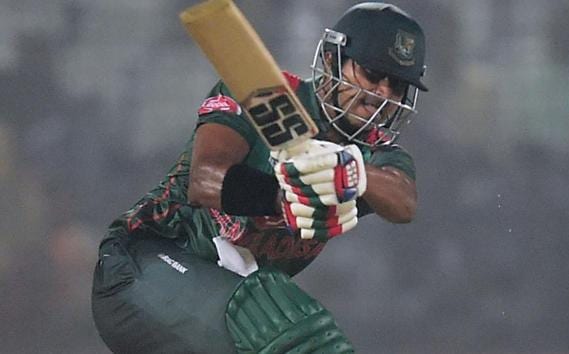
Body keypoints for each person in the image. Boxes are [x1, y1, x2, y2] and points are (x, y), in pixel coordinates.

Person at [91, 2, 428, 353]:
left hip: (225, 296)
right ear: (331, 60)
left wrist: (348, 171)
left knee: (295, 331)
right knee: (293, 339)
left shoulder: (374, 154)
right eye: (372, 73)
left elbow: (404, 202)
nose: (383, 94)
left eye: (398, 86)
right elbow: (204, 180)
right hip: (141, 266)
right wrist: (283, 198)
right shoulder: (265, 96)